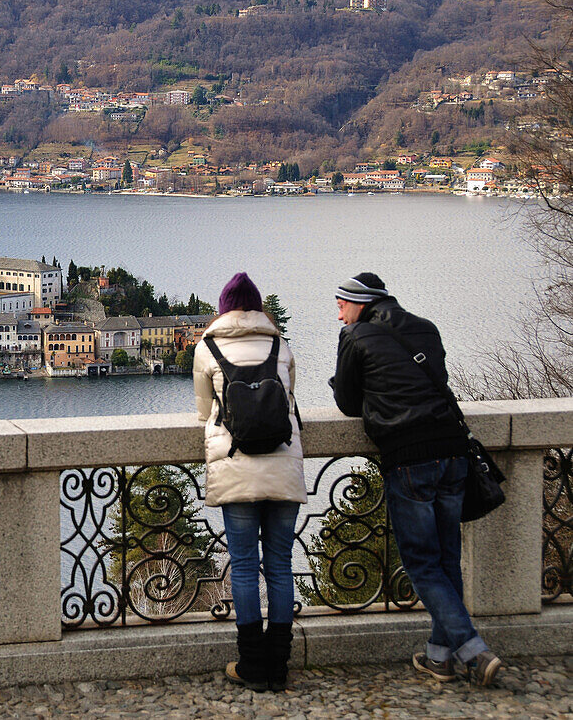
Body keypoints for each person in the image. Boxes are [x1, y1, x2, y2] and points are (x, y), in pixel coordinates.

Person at [330, 272, 501, 686]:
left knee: (422, 563)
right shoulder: (426, 328)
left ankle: (475, 652)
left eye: (341, 305)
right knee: (446, 559)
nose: (338, 315)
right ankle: (440, 657)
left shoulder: (356, 336)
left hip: (409, 457)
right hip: (452, 451)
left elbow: (349, 403)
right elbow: (435, 382)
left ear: (360, 304)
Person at [193, 272, 305, 692]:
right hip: (283, 464)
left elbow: (204, 414)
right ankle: (279, 662)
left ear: (223, 310)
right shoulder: (281, 345)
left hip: (236, 466)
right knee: (279, 563)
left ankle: (251, 663)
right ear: (259, 309)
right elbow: (291, 401)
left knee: (243, 566)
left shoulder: (208, 348)